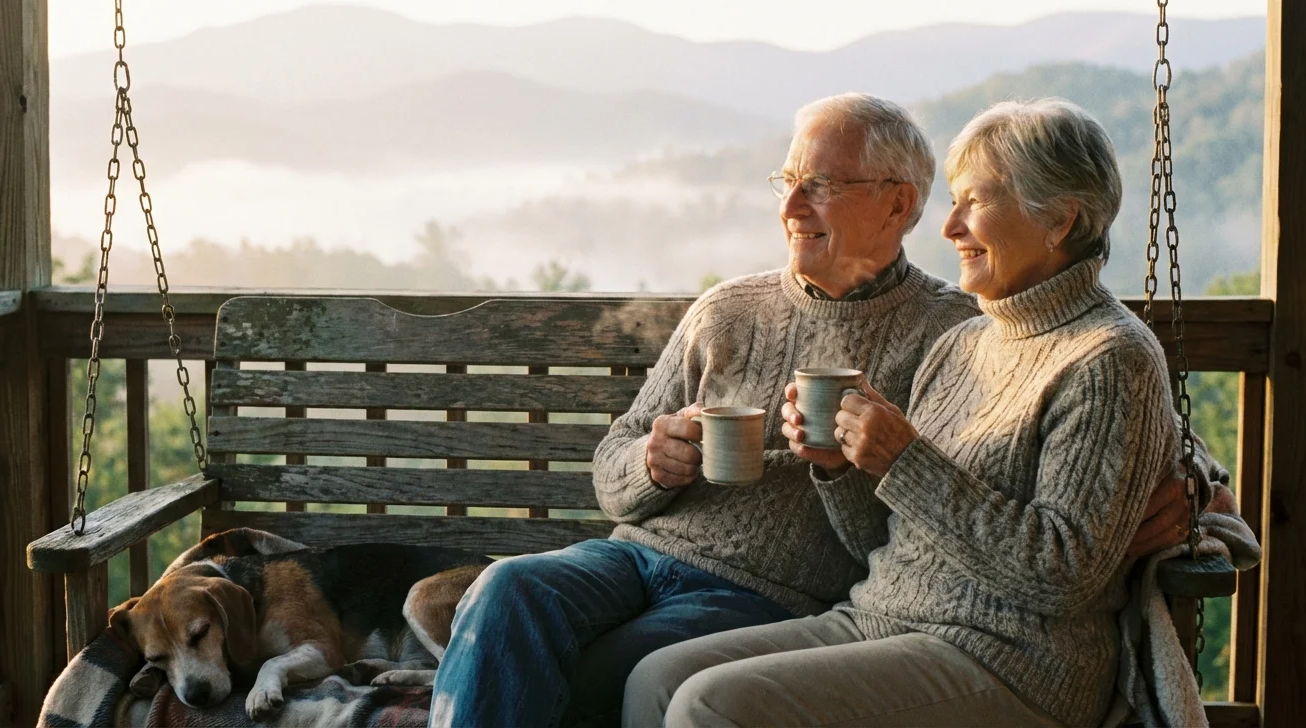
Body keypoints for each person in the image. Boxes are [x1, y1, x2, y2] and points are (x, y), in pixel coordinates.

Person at [430, 95, 1198, 728]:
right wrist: (672, 462)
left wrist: (1197, 491)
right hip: (708, 568)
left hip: (902, 626)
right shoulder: (954, 339)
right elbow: (892, 531)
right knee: (515, 596)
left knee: (656, 689)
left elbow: (1079, 526)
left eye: (821, 185)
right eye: (788, 181)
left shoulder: (1015, 340)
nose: (952, 228)